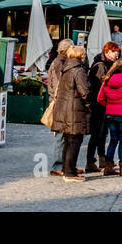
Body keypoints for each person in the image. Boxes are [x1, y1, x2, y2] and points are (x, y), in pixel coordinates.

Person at [52, 43, 91, 182]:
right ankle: (69, 173)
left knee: (68, 141)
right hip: (75, 110)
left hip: (65, 109)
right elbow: (84, 91)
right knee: (74, 141)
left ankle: (68, 169)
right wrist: (90, 106)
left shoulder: (66, 68)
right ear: (81, 55)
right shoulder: (78, 70)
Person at [85, 41, 121, 173]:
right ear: (107, 52)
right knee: (97, 133)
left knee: (103, 132)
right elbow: (99, 86)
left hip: (103, 103)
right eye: (115, 53)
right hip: (99, 104)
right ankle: (91, 161)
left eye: (118, 53)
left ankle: (101, 159)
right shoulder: (101, 66)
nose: (117, 55)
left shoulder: (108, 63)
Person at [47, 38, 76, 176]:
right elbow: (59, 85)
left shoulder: (60, 61)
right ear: (66, 49)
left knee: (64, 134)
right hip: (59, 102)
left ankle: (64, 164)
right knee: (60, 135)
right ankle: (58, 165)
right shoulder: (60, 63)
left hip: (60, 101)